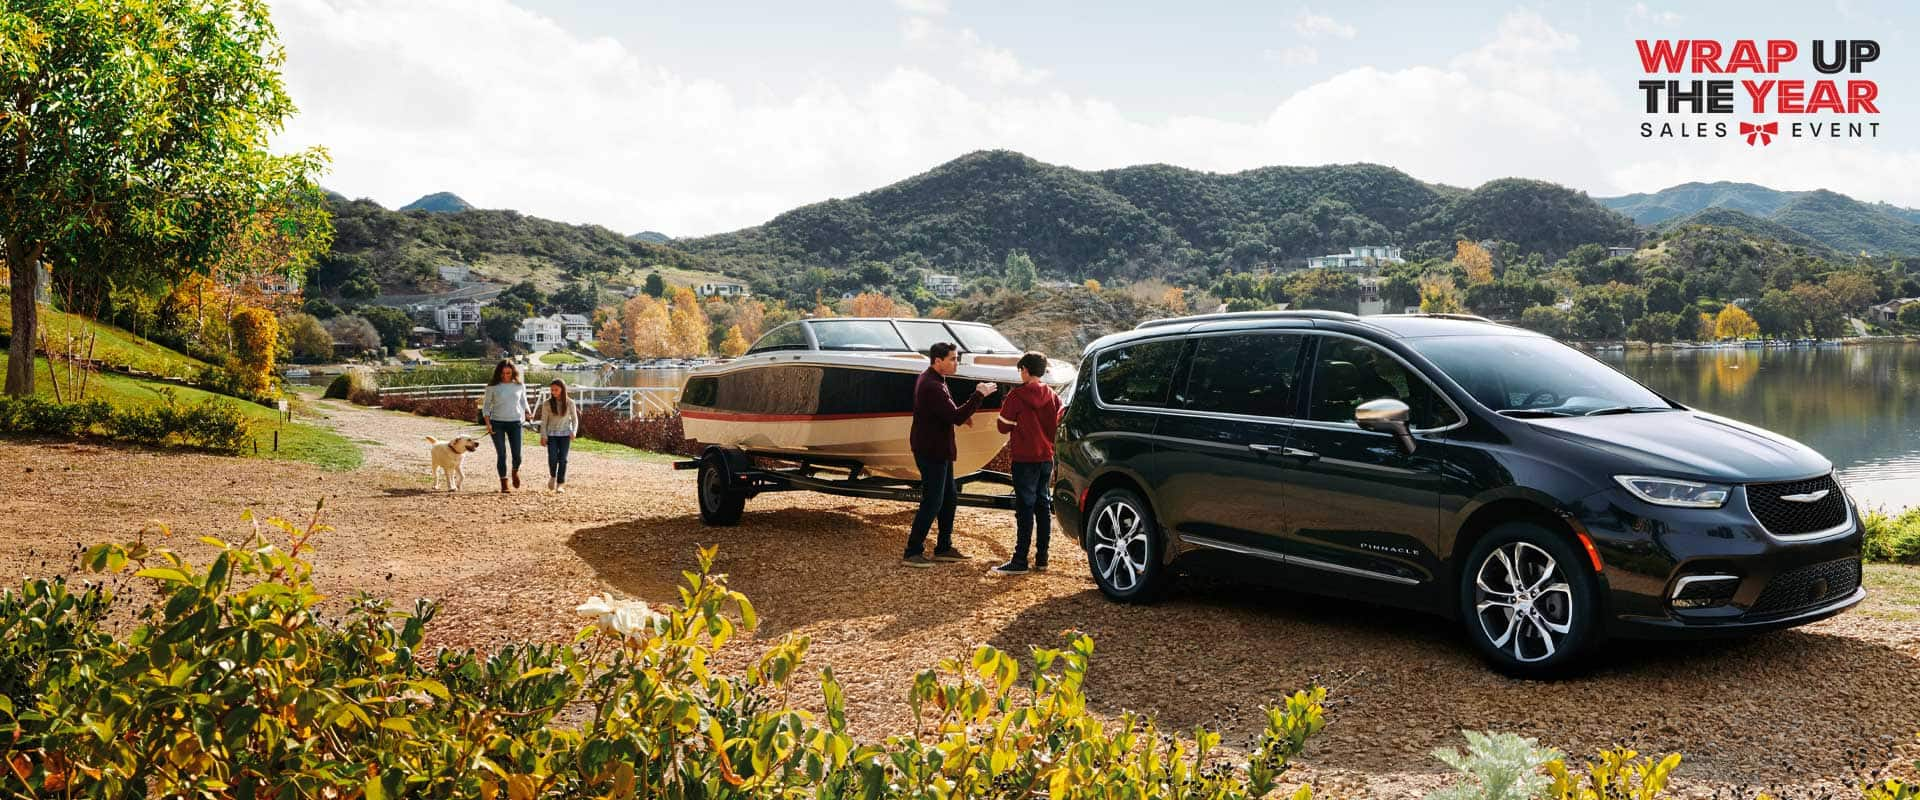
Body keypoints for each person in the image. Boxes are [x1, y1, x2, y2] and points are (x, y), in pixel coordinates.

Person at [903, 342, 997, 567]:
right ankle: (912, 551)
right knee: (933, 500)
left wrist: (963, 415)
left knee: (949, 498)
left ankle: (943, 547)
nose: (956, 362)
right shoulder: (932, 385)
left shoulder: (935, 380)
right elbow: (954, 416)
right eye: (953, 359)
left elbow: (947, 412)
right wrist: (978, 395)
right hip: (931, 450)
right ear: (938, 361)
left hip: (939, 448)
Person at [990, 352, 1064, 576]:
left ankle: (1020, 560)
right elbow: (1059, 423)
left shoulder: (1017, 396)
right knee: (1043, 506)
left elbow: (1003, 427)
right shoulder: (1052, 396)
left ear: (1025, 370)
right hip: (1045, 458)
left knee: (1025, 509)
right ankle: (1042, 558)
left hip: (1024, 459)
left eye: (1020, 369)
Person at [481, 359, 533, 493]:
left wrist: (527, 412)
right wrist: (488, 424)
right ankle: (504, 483)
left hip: (515, 422)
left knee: (517, 455)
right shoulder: (492, 387)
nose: (505, 376)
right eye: (503, 373)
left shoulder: (519, 386)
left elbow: (523, 401)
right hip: (497, 423)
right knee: (502, 454)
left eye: (508, 373)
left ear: (513, 372)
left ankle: (515, 471)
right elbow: (486, 406)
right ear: (498, 373)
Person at [536, 379, 578, 493]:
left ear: (562, 389)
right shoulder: (547, 404)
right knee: (553, 457)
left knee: (563, 459)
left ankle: (560, 484)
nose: (554, 392)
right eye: (552, 390)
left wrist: (574, 431)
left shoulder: (570, 403)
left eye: (556, 390)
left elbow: (575, 419)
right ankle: (553, 476)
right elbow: (544, 422)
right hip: (552, 435)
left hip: (565, 434)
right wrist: (543, 436)